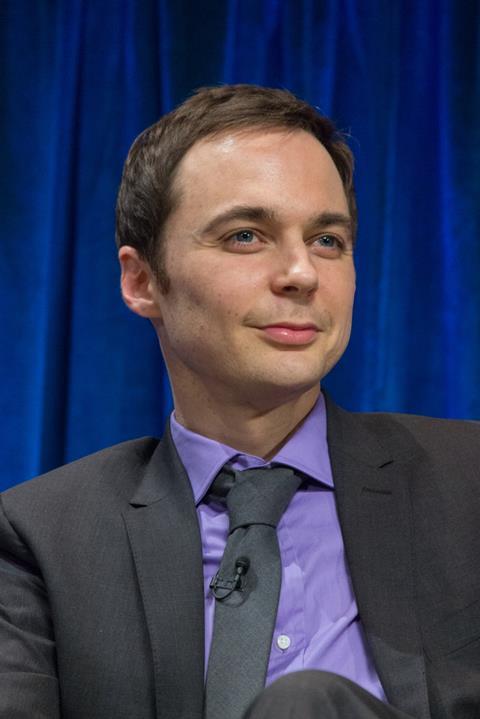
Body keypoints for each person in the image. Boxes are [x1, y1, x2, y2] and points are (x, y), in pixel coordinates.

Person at [0, 84, 479, 719]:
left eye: (327, 240)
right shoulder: (42, 539)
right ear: (142, 281)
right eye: (247, 236)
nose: (302, 273)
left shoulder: (468, 480)